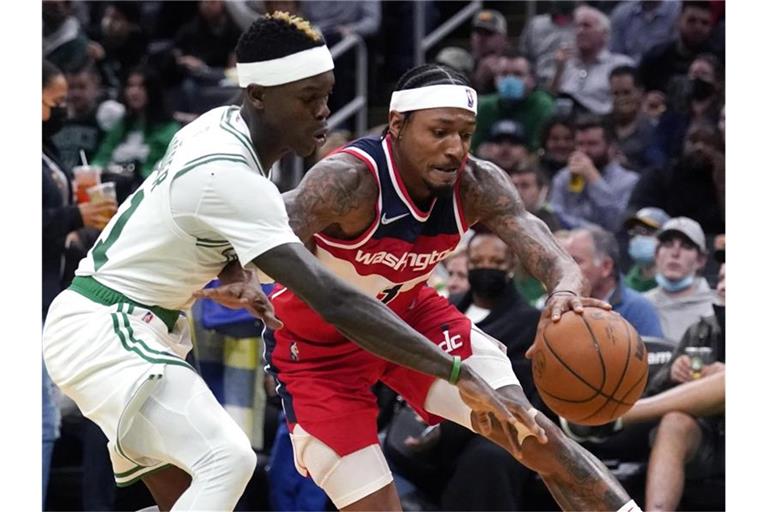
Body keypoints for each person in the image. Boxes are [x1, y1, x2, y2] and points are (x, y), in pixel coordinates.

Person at [42, 14, 525, 512]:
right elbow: (335, 300)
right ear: (258, 95)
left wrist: (238, 273)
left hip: (137, 327)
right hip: (110, 325)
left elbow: (200, 222)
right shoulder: (230, 174)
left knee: (189, 496)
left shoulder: (220, 127)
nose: (323, 111)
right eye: (307, 98)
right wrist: (453, 370)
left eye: (327, 94)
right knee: (228, 461)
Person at [256, 62, 638, 511]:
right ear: (397, 125)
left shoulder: (477, 183)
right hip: (317, 352)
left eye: (466, 134)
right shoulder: (347, 181)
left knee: (534, 435)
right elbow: (258, 231)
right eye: (440, 132)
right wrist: (232, 272)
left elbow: (554, 256)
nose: (455, 148)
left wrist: (564, 292)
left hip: (412, 321)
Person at [42, 59, 118, 507]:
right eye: (54, 101)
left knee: (50, 422)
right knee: (40, 424)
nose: (62, 110)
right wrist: (75, 216)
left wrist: (73, 231)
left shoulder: (45, 148)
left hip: (49, 297)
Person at [641, 261, 725, 511]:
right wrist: (671, 374)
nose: (723, 286)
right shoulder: (700, 330)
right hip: (710, 441)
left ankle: (620, 415)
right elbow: (654, 392)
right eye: (721, 279)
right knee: (674, 422)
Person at [561, 226, 663, 338]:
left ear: (606, 266)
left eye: (576, 261)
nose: (566, 269)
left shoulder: (638, 309)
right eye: (565, 261)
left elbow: (652, 348)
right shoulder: (560, 306)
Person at [629, 123, 725, 234]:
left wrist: (721, 184)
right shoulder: (658, 176)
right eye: (693, 140)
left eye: (708, 142)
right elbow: (635, 214)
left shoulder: (721, 180)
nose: (699, 147)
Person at [549, 116, 639, 231]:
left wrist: (594, 179)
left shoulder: (629, 181)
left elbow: (618, 223)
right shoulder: (563, 177)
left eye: (592, 144)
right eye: (580, 144)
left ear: (610, 146)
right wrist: (589, 230)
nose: (584, 150)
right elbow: (554, 215)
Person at [91, 66, 181, 182]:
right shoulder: (121, 124)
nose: (134, 92)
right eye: (130, 86)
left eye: (141, 87)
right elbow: (102, 156)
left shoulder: (168, 128)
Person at [549, 5, 633, 116]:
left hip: (603, 121)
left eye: (586, 26)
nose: (580, 31)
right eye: (577, 26)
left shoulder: (619, 64)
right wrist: (558, 70)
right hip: (566, 122)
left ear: (604, 33)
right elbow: (550, 100)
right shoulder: (566, 65)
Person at [644, 217, 716, 343]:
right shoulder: (641, 306)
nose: (675, 253)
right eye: (667, 244)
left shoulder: (717, 308)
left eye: (686, 246)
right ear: (656, 255)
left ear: (701, 260)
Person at [472, 52, 554, 152]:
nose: (510, 80)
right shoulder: (485, 107)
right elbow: (474, 147)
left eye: (517, 74)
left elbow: (541, 150)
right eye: (504, 74)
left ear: (532, 80)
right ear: (495, 79)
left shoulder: (543, 106)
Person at [637, 1, 722, 96]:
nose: (698, 27)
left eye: (704, 23)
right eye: (691, 20)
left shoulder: (721, 59)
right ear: (678, 21)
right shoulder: (655, 58)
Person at [608, 65, 659, 172]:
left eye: (627, 92)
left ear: (640, 92)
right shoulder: (602, 126)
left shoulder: (652, 130)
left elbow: (657, 171)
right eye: (616, 93)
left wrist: (627, 166)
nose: (621, 99)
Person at [518, 1, 576, 87]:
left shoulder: (580, 25)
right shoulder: (536, 25)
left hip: (571, 83)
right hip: (540, 81)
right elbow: (523, 55)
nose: (562, 18)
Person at [609, 0, 681, 63]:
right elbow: (616, 55)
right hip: (630, 69)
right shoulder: (622, 13)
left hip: (666, 67)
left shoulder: (677, 10)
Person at [623, 207, 671, 292]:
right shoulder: (629, 281)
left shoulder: (675, 282)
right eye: (635, 231)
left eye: (646, 231)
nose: (639, 237)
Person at [469, 9, 510, 94]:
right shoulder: (464, 65)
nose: (482, 39)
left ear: (504, 39)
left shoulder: (515, 64)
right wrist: (477, 81)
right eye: (478, 33)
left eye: (488, 33)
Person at [537, 115, 576, 179]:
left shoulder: (586, 172)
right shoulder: (535, 172)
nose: (562, 144)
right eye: (555, 139)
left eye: (568, 138)